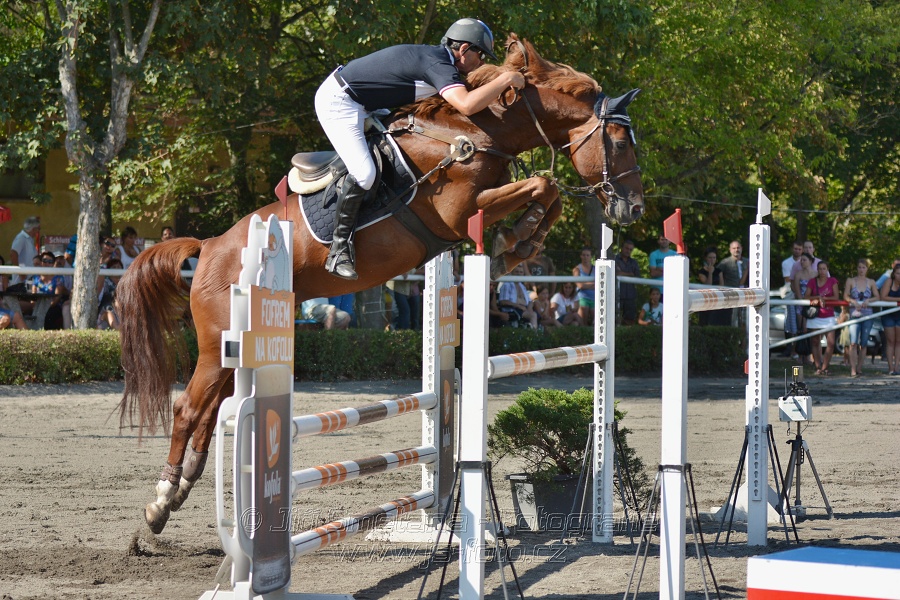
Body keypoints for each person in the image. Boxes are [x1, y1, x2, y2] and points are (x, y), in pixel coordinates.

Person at [314, 18, 525, 280]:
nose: (481, 62)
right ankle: (338, 251)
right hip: (340, 102)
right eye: (480, 54)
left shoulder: (439, 60)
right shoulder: (439, 65)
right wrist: (506, 78)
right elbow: (468, 105)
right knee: (365, 174)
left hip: (365, 104)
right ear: (463, 49)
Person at [843, 259, 880, 378]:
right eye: (859, 267)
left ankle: (859, 368)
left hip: (868, 315)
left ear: (867, 269)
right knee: (853, 342)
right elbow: (845, 295)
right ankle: (853, 369)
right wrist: (853, 301)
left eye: (863, 267)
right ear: (856, 268)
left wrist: (869, 300)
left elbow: (877, 296)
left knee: (863, 343)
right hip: (854, 315)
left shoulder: (871, 282)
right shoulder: (851, 280)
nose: (861, 270)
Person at [804, 260, 839, 375]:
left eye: (824, 269)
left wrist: (824, 299)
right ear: (817, 270)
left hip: (828, 316)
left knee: (831, 343)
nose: (822, 271)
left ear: (827, 269)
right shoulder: (812, 281)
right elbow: (806, 296)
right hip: (815, 315)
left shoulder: (832, 281)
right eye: (820, 269)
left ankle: (825, 366)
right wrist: (817, 298)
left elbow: (836, 297)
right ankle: (818, 366)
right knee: (815, 341)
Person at [791, 252, 818, 364]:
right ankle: (801, 354)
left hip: (813, 304)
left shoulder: (816, 274)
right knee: (801, 329)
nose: (802, 262)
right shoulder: (798, 274)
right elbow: (797, 291)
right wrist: (803, 302)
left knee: (812, 330)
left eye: (804, 260)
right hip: (801, 304)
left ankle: (811, 355)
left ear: (811, 261)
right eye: (801, 260)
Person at [31, 251, 67, 330]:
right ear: (41, 262)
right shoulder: (36, 277)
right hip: (37, 305)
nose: (47, 263)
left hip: (53, 306)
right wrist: (36, 306)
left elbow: (57, 298)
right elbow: (33, 296)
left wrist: (44, 307)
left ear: (53, 263)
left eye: (50, 261)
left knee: (49, 314)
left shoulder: (58, 278)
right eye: (44, 261)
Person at [696, 246, 730, 326]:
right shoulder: (701, 272)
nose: (712, 260)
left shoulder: (719, 271)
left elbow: (722, 285)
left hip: (717, 298)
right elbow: (708, 285)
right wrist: (710, 273)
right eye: (710, 258)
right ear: (706, 258)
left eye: (714, 258)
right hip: (705, 298)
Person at [498, 262, 538, 329]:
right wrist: (518, 306)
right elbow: (503, 301)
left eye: (521, 272)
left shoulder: (522, 286)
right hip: (513, 310)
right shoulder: (507, 284)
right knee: (533, 315)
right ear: (512, 272)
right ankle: (534, 334)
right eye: (517, 272)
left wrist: (529, 308)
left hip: (524, 309)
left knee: (537, 313)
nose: (519, 274)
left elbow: (530, 301)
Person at [879, 262, 900, 376]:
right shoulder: (889, 281)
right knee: (890, 341)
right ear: (894, 274)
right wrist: (898, 299)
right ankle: (891, 368)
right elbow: (883, 297)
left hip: (899, 315)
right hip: (888, 314)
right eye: (898, 273)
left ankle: (897, 367)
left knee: (898, 342)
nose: (899, 276)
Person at [614, 239, 640, 325]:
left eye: (630, 249)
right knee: (614, 320)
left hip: (630, 295)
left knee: (629, 320)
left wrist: (621, 273)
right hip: (616, 294)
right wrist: (630, 274)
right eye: (626, 248)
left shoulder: (634, 262)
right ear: (622, 248)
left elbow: (637, 276)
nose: (628, 251)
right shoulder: (614, 260)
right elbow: (615, 274)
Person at [9, 216, 41, 286]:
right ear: (33, 229)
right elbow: (13, 253)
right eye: (38, 229)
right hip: (20, 283)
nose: (38, 231)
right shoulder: (21, 238)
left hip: (28, 280)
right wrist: (20, 272)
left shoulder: (29, 239)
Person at [572, 247, 595, 326]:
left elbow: (599, 284)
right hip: (582, 297)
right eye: (584, 255)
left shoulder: (596, 269)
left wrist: (585, 284)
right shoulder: (577, 269)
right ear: (581, 256)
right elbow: (580, 285)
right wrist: (592, 284)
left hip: (595, 297)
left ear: (591, 256)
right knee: (583, 322)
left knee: (596, 322)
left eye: (588, 255)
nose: (585, 257)